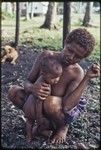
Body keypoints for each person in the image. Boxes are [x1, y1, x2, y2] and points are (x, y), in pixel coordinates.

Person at [8, 28, 100, 144]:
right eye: (70, 50)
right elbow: (28, 81)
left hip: (57, 111)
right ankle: (41, 124)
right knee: (14, 91)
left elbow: (67, 107)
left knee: (50, 102)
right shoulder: (46, 56)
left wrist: (87, 78)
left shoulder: (77, 72)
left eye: (77, 57)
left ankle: (62, 127)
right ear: (65, 43)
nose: (71, 57)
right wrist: (33, 88)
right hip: (37, 104)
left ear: (82, 58)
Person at [23, 56, 63, 142]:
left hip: (28, 105)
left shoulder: (41, 79)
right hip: (34, 108)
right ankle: (38, 132)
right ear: (44, 73)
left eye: (59, 77)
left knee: (29, 122)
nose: (57, 80)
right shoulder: (44, 86)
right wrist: (39, 116)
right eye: (54, 78)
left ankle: (29, 136)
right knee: (42, 123)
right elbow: (39, 101)